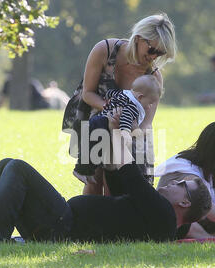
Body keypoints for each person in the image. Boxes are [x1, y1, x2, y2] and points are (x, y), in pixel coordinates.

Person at [0, 115, 212, 243]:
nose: (172, 182)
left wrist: (117, 130)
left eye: (181, 185)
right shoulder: (152, 214)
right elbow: (120, 178)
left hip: (63, 225)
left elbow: (130, 173)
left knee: (17, 168)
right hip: (60, 222)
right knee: (6, 165)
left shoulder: (164, 216)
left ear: (185, 203)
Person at [62, 13, 177, 196]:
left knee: (115, 182)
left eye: (160, 53)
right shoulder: (105, 50)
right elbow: (88, 93)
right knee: (93, 178)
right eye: (152, 50)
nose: (154, 57)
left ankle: (111, 221)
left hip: (128, 129)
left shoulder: (153, 78)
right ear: (138, 39)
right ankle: (85, 221)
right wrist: (111, 109)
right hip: (95, 114)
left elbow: (146, 123)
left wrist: (126, 132)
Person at [155, 121, 215, 238]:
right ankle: (211, 239)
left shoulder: (204, 170)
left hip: (187, 220)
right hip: (171, 222)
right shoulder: (188, 171)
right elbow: (202, 202)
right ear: (210, 151)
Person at [73, 74, 162, 184]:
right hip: (102, 126)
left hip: (97, 121)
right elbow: (125, 119)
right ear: (140, 97)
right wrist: (125, 133)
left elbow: (111, 93)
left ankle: (87, 171)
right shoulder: (133, 107)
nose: (149, 107)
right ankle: (80, 171)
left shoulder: (124, 93)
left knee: (94, 152)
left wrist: (107, 97)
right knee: (93, 151)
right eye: (150, 103)